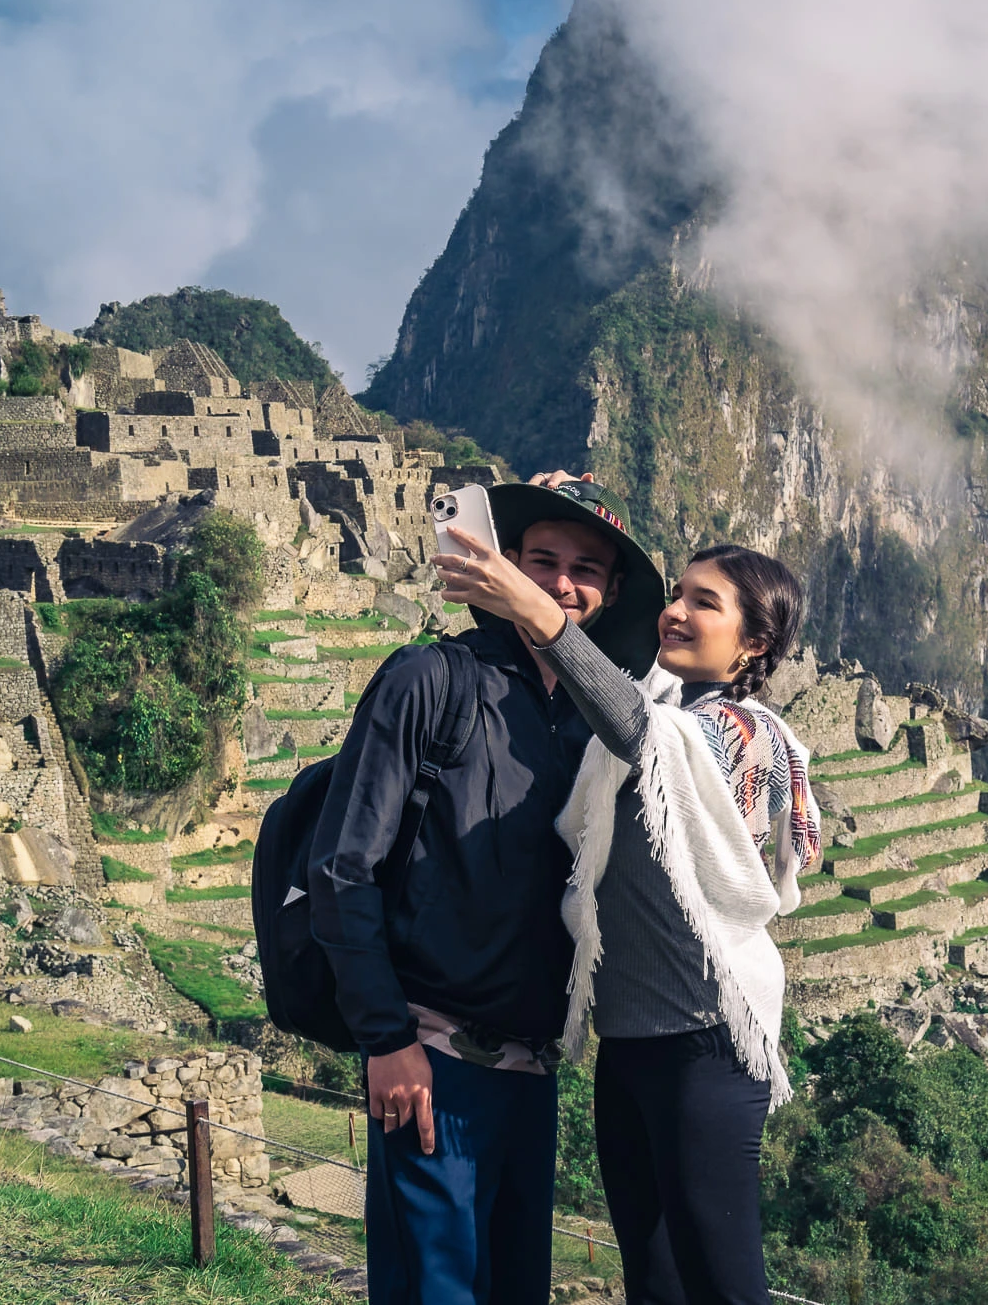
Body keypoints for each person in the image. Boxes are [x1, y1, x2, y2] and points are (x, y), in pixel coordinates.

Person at [437, 509, 821, 1305]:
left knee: (724, 1288)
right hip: (630, 1050)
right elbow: (616, 698)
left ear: (754, 643)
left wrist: (537, 607)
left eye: (704, 602)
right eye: (676, 593)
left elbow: (640, 731)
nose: (675, 611)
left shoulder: (738, 733)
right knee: (655, 1285)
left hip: (706, 1047)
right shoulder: (664, 710)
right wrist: (550, 516)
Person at [310, 477, 665, 1303]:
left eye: (586, 569)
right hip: (432, 1063)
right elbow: (343, 867)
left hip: (532, 1076)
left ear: (612, 592)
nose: (562, 583)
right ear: (505, 564)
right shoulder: (431, 681)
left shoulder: (594, 729)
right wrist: (386, 1040)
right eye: (542, 560)